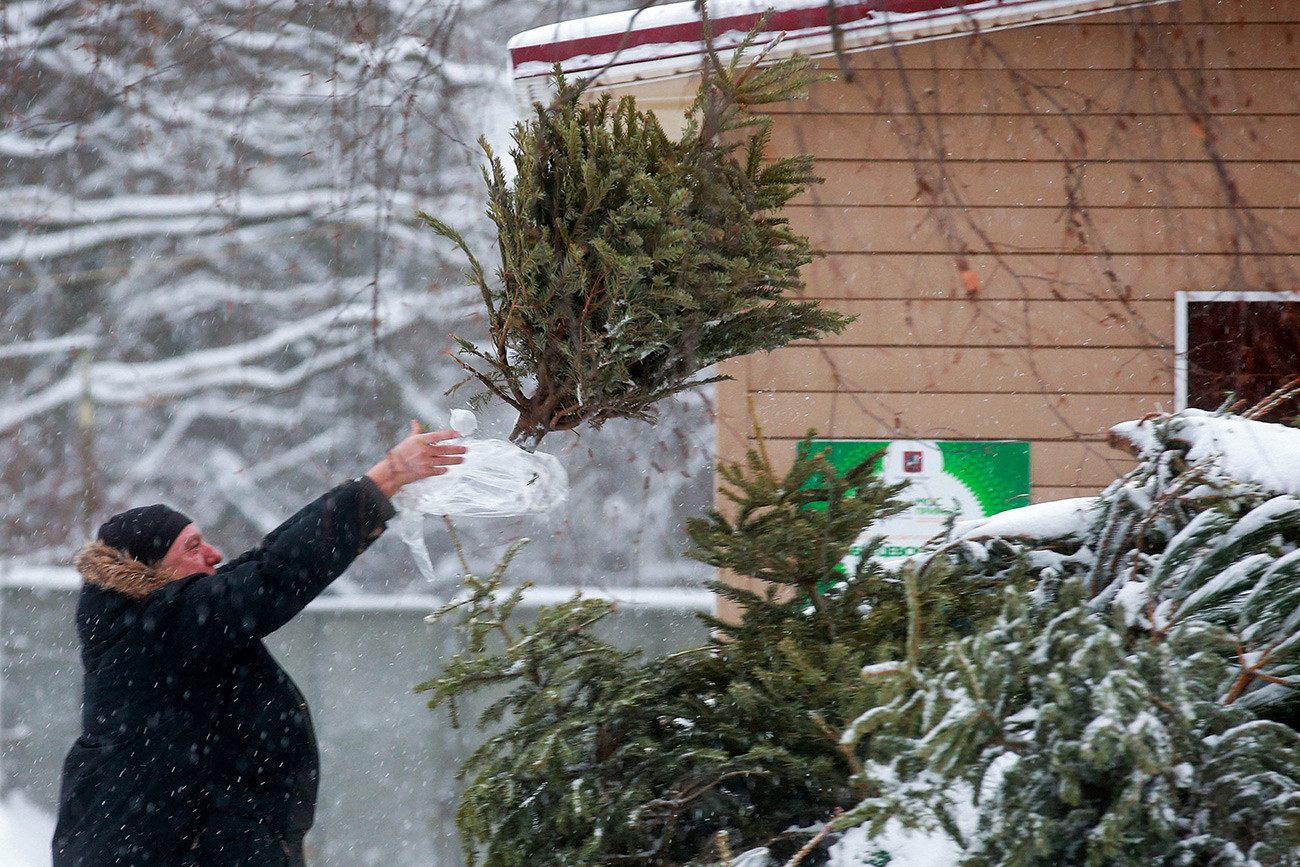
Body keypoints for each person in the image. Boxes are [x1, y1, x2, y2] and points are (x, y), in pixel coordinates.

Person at [52, 422, 466, 867]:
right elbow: (276, 572)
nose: (214, 554)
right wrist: (385, 478)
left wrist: (379, 499)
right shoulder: (159, 626)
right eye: (192, 546)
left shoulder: (156, 626)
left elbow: (262, 563)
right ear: (151, 571)